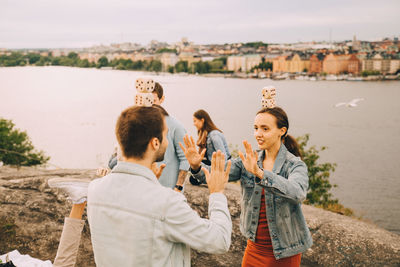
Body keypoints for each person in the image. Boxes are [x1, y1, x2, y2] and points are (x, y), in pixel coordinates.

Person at [87, 105, 232, 267]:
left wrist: (150, 182)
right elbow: (220, 240)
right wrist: (217, 193)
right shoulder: (166, 203)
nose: (167, 141)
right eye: (166, 135)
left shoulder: (94, 189)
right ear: (155, 143)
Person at [181, 106, 312, 267]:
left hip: (285, 251)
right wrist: (196, 166)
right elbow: (217, 173)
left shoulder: (294, 165)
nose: (258, 134)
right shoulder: (248, 160)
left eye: (265, 129)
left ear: (282, 131)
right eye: (256, 128)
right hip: (254, 248)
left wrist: (260, 173)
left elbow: (297, 192)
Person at [108, 82, 189, 192]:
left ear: (162, 99)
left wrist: (178, 187)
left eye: (153, 101)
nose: (150, 105)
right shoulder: (139, 125)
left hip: (168, 191)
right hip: (143, 190)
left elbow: (185, 159)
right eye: (146, 101)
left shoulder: (175, 126)